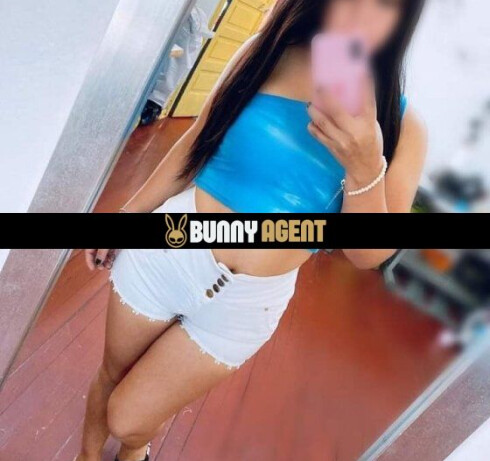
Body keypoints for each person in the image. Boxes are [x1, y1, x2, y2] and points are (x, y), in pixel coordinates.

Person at [78, 0, 427, 460]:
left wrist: (364, 168)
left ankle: (134, 445)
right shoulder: (265, 53)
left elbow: (367, 255)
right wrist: (128, 215)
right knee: (112, 373)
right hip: (169, 251)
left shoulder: (402, 127)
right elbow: (194, 145)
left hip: (247, 304)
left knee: (129, 417)